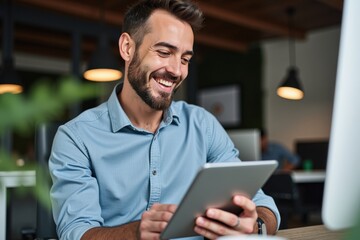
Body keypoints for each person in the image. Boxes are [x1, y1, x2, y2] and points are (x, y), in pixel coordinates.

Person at [49, 1, 280, 239]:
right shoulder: (75, 137)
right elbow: (76, 231)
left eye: (185, 59)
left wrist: (255, 225)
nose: (176, 70)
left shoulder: (203, 125)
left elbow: (262, 204)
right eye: (164, 52)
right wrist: (137, 232)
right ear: (127, 47)